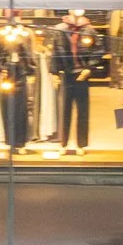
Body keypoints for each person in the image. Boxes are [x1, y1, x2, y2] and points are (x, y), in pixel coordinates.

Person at [52, 12, 97, 156]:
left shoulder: (89, 29)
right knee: (64, 110)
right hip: (66, 73)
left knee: (83, 110)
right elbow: (55, 52)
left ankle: (81, 144)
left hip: (82, 75)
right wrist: (55, 72)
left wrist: (88, 68)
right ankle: (63, 143)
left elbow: (98, 51)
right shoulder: (60, 29)